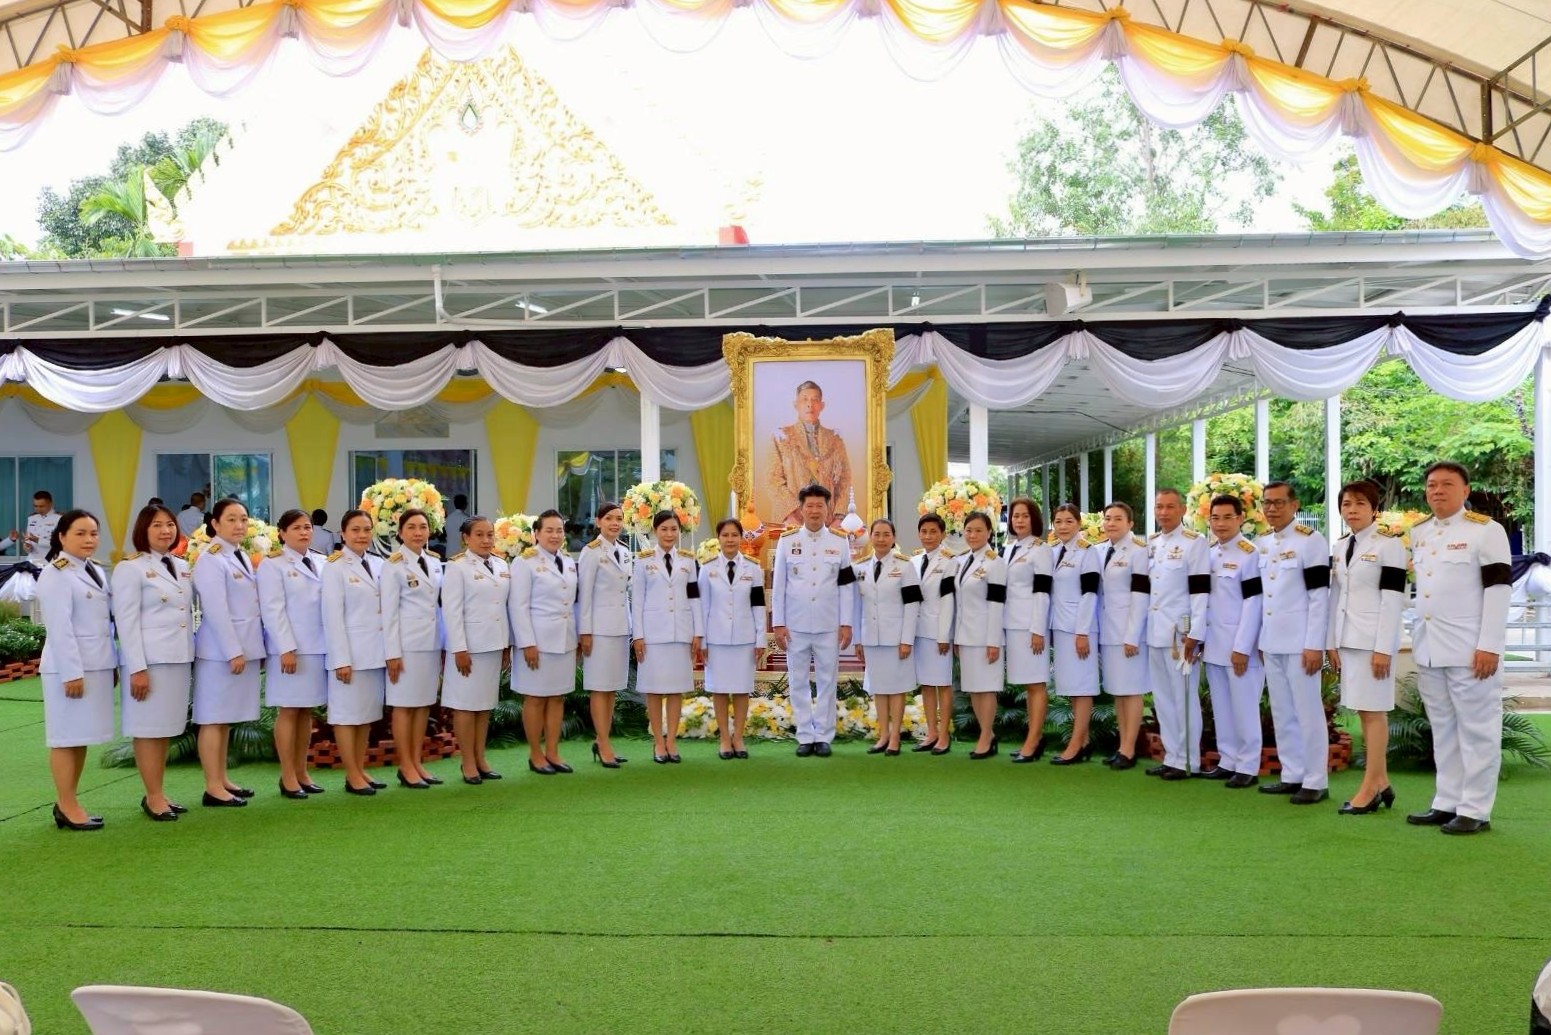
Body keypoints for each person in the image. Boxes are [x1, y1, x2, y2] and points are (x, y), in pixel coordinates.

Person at [1405, 461, 1511, 835]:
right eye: (1432, 485)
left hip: (1471, 650)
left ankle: (1475, 809)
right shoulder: (1420, 532)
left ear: (1465, 490)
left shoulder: (1486, 531)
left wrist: (1489, 645)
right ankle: (1446, 801)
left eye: (1447, 484)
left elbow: (1498, 590)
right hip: (1430, 648)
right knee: (1443, 729)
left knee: (1478, 730)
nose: (1437, 490)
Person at [1327, 480, 1408, 815]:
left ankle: (1370, 787)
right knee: (1364, 711)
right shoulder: (1340, 545)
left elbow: (1393, 601)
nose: (1352, 510)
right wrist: (1330, 642)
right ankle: (1382, 781)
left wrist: (1383, 649)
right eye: (1346, 504)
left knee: (1373, 713)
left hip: (1373, 643)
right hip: (1348, 640)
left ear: (1375, 509)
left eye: (1360, 503)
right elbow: (1336, 596)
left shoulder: (1390, 545)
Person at [110, 504, 194, 821]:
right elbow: (126, 622)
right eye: (157, 525)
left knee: (165, 729)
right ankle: (153, 796)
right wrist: (137, 668)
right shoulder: (130, 568)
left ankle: (159, 792)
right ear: (143, 529)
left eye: (170, 524)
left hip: (177, 657)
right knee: (147, 729)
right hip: (150, 662)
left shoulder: (180, 565)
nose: (165, 530)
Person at [1255, 481, 1332, 805]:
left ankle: (1315, 780)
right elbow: (1264, 597)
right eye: (1267, 503)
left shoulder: (1311, 541)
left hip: (1301, 642)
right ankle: (1292, 774)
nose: (1271, 508)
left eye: (1278, 502)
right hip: (1272, 641)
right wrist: (1261, 640)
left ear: (1294, 505)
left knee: (1307, 712)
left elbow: (1319, 596)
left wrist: (1314, 644)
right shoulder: (1262, 543)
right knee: (1282, 711)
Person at [37, 510, 114, 830]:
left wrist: (110, 663)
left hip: (95, 664)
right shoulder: (55, 573)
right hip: (69, 669)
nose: (89, 539)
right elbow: (60, 628)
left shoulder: (93, 568)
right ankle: (67, 805)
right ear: (62, 536)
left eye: (93, 533)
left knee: (79, 736)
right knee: (65, 737)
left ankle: (69, 802)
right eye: (80, 533)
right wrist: (72, 673)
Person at [771, 483, 856, 757]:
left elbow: (846, 586)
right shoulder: (787, 541)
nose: (815, 510)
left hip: (828, 625)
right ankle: (805, 735)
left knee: (827, 681)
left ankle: (823, 736)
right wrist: (778, 624)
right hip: (795, 625)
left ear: (828, 509)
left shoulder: (839, 542)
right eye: (810, 506)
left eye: (820, 505)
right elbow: (779, 586)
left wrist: (846, 623)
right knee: (797, 680)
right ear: (801, 509)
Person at [191, 498, 264, 808]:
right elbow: (217, 610)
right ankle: (212, 786)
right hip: (219, 652)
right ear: (215, 524)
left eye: (243, 519)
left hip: (240, 647)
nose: (239, 525)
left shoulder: (239, 554)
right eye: (231, 519)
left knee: (224, 719)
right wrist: (233, 651)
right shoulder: (211, 559)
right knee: (213, 718)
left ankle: (221, 779)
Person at [257, 509, 328, 799]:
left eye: (307, 527)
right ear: (282, 533)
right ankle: (287, 776)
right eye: (296, 528)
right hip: (290, 650)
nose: (304, 532)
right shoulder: (272, 564)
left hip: (317, 647)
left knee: (306, 710)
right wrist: (286, 647)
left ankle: (302, 771)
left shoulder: (322, 561)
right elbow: (272, 610)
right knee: (289, 710)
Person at [1197, 495, 1265, 788]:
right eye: (1215, 518)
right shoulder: (1209, 553)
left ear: (1240, 519)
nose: (1220, 523)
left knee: (1244, 707)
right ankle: (1227, 760)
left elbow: (1254, 603)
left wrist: (1242, 647)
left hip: (1239, 647)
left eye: (1227, 517)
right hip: (1214, 644)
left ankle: (1248, 765)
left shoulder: (1250, 554)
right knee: (1222, 707)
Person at [321, 508, 390, 796]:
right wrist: (341, 659)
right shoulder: (335, 567)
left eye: (366, 530)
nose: (362, 535)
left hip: (374, 653)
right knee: (347, 716)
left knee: (365, 715)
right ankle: (351, 774)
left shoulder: (378, 563)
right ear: (343, 534)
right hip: (349, 655)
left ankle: (360, 769)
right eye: (355, 530)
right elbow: (332, 617)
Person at [439, 517, 510, 784]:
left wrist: (506, 645)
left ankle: (480, 758)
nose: (486, 540)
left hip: (493, 644)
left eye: (490, 534)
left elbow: (503, 607)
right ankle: (467, 761)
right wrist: (459, 648)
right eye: (479, 535)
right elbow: (452, 611)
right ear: (466, 538)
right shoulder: (457, 566)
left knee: (484, 706)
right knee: (465, 706)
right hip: (469, 648)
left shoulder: (501, 564)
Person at [510, 510, 580, 774]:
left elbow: (572, 603)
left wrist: (575, 639)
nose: (555, 535)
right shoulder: (525, 562)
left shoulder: (568, 561)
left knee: (557, 698)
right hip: (537, 643)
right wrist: (527, 643)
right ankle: (535, 754)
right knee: (536, 698)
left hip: (564, 640)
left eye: (559, 530)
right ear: (536, 534)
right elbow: (518, 606)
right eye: (549, 530)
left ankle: (553, 751)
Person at [1147, 488, 1210, 781]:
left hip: (1179, 636)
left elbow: (1200, 592)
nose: (1164, 512)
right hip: (1155, 632)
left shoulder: (1194, 543)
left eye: (1170, 506)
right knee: (1162, 700)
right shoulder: (1152, 543)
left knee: (1184, 699)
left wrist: (1195, 634)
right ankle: (1171, 756)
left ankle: (1188, 760)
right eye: (1159, 506)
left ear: (1182, 509)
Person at [631, 510, 703, 764]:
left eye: (673, 529)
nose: (669, 534)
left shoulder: (688, 561)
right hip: (653, 635)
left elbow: (695, 598)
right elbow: (637, 601)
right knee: (653, 690)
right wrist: (638, 635)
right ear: (655, 531)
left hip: (680, 633)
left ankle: (671, 740)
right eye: (664, 529)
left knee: (675, 690)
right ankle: (658, 742)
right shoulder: (643, 561)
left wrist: (698, 632)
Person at [381, 509, 444, 789]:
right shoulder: (393, 565)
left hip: (430, 643)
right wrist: (392, 653)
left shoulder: (434, 561)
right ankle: (405, 765)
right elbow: (389, 613)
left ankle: (417, 762)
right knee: (404, 705)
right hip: (406, 646)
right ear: (400, 532)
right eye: (411, 527)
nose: (418, 532)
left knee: (422, 705)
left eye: (422, 527)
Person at [697, 518, 766, 759]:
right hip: (716, 640)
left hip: (744, 639)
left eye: (734, 535)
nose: (729, 539)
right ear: (718, 538)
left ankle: (738, 737)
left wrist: (761, 639)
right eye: (725, 535)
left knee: (741, 689)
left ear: (741, 537)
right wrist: (702, 641)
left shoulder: (752, 568)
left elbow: (758, 605)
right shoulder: (707, 569)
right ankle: (724, 738)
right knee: (719, 690)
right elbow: (702, 607)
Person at [853, 518, 920, 756]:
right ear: (870, 537)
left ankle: (895, 737)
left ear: (893, 538)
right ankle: (883, 735)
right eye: (877, 534)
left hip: (896, 638)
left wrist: (907, 639)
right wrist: (858, 639)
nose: (881, 539)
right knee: (879, 687)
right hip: (871, 637)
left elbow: (912, 605)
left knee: (897, 687)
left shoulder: (905, 565)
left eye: (886, 534)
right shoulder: (859, 567)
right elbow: (855, 606)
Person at [1095, 502, 1149, 769]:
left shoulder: (1139, 551)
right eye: (1107, 518)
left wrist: (1133, 635)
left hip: (1129, 632)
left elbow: (1140, 595)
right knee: (1118, 690)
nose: (1111, 523)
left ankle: (1129, 749)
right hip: (1108, 630)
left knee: (1132, 689)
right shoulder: (1099, 550)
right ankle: (1122, 746)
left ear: (1130, 523)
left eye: (1118, 519)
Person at [578, 501, 632, 767]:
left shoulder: (624, 551)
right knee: (599, 687)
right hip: (598, 630)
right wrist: (585, 632)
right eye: (609, 518)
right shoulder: (591, 552)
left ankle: (603, 740)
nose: (614, 523)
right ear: (598, 521)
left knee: (612, 688)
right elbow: (584, 595)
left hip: (620, 627)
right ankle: (603, 743)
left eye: (619, 519)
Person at [1047, 503, 1102, 764]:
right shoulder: (1053, 551)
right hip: (1060, 626)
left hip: (1079, 629)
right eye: (1058, 521)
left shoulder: (1087, 552)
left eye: (1069, 521)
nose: (1063, 526)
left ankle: (1075, 745)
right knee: (1072, 686)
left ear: (1079, 524)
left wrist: (1082, 632)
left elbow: (1090, 594)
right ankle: (1084, 740)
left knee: (1082, 686)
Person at [1002, 498, 1053, 764]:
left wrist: (1038, 629)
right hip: (1012, 624)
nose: (1019, 520)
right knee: (1027, 683)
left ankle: (1033, 741)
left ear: (1034, 519)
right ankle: (1034, 736)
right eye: (1015, 516)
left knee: (1035, 683)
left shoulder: (1041, 549)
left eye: (1024, 515)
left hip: (1030, 625)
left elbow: (1042, 591)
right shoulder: (1009, 548)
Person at [954, 511, 1007, 759]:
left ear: (989, 532)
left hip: (986, 636)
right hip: (966, 635)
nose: (973, 535)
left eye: (978, 530)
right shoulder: (964, 560)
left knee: (986, 688)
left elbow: (997, 603)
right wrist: (957, 636)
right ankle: (987, 734)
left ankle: (986, 735)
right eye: (969, 530)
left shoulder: (995, 562)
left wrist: (993, 641)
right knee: (974, 688)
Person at [766, 381, 853, 526]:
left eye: (815, 400)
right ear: (796, 405)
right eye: (804, 399)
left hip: (829, 522)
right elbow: (773, 480)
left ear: (822, 405)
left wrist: (839, 518)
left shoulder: (835, 439)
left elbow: (845, 480)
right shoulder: (781, 437)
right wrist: (790, 516)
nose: (810, 404)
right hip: (792, 522)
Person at [910, 514, 957, 753]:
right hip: (917, 631)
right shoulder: (913, 561)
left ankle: (944, 735)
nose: (928, 536)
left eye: (933, 532)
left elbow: (948, 601)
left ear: (942, 534)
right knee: (927, 685)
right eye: (924, 531)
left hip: (938, 632)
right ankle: (931, 732)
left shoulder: (949, 562)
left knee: (943, 683)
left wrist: (943, 635)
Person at [24, 491, 61, 565]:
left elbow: (61, 544)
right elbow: (28, 542)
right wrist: (27, 546)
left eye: (41, 506)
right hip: (32, 561)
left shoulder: (60, 519)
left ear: (50, 504)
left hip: (50, 561)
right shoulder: (31, 518)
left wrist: (38, 540)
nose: (38, 509)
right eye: (35, 506)